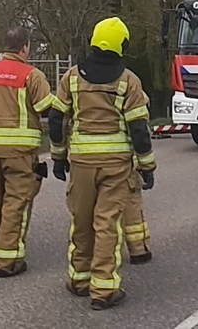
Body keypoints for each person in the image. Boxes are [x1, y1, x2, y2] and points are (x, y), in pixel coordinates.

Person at [49, 17, 156, 310]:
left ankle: (79, 279)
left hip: (82, 163)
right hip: (116, 166)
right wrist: (147, 166)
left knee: (81, 220)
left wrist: (58, 157)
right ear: (121, 44)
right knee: (107, 223)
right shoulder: (128, 81)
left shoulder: (71, 77)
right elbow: (138, 130)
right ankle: (104, 289)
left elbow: (57, 119)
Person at [0, 27, 56, 277]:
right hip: (20, 154)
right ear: (25, 47)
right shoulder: (32, 76)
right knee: (15, 205)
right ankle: (7, 262)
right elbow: (48, 109)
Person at [123, 160, 152, 264]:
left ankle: (88, 252)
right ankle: (138, 249)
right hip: (121, 164)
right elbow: (139, 144)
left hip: (83, 165)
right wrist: (146, 167)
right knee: (131, 205)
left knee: (88, 208)